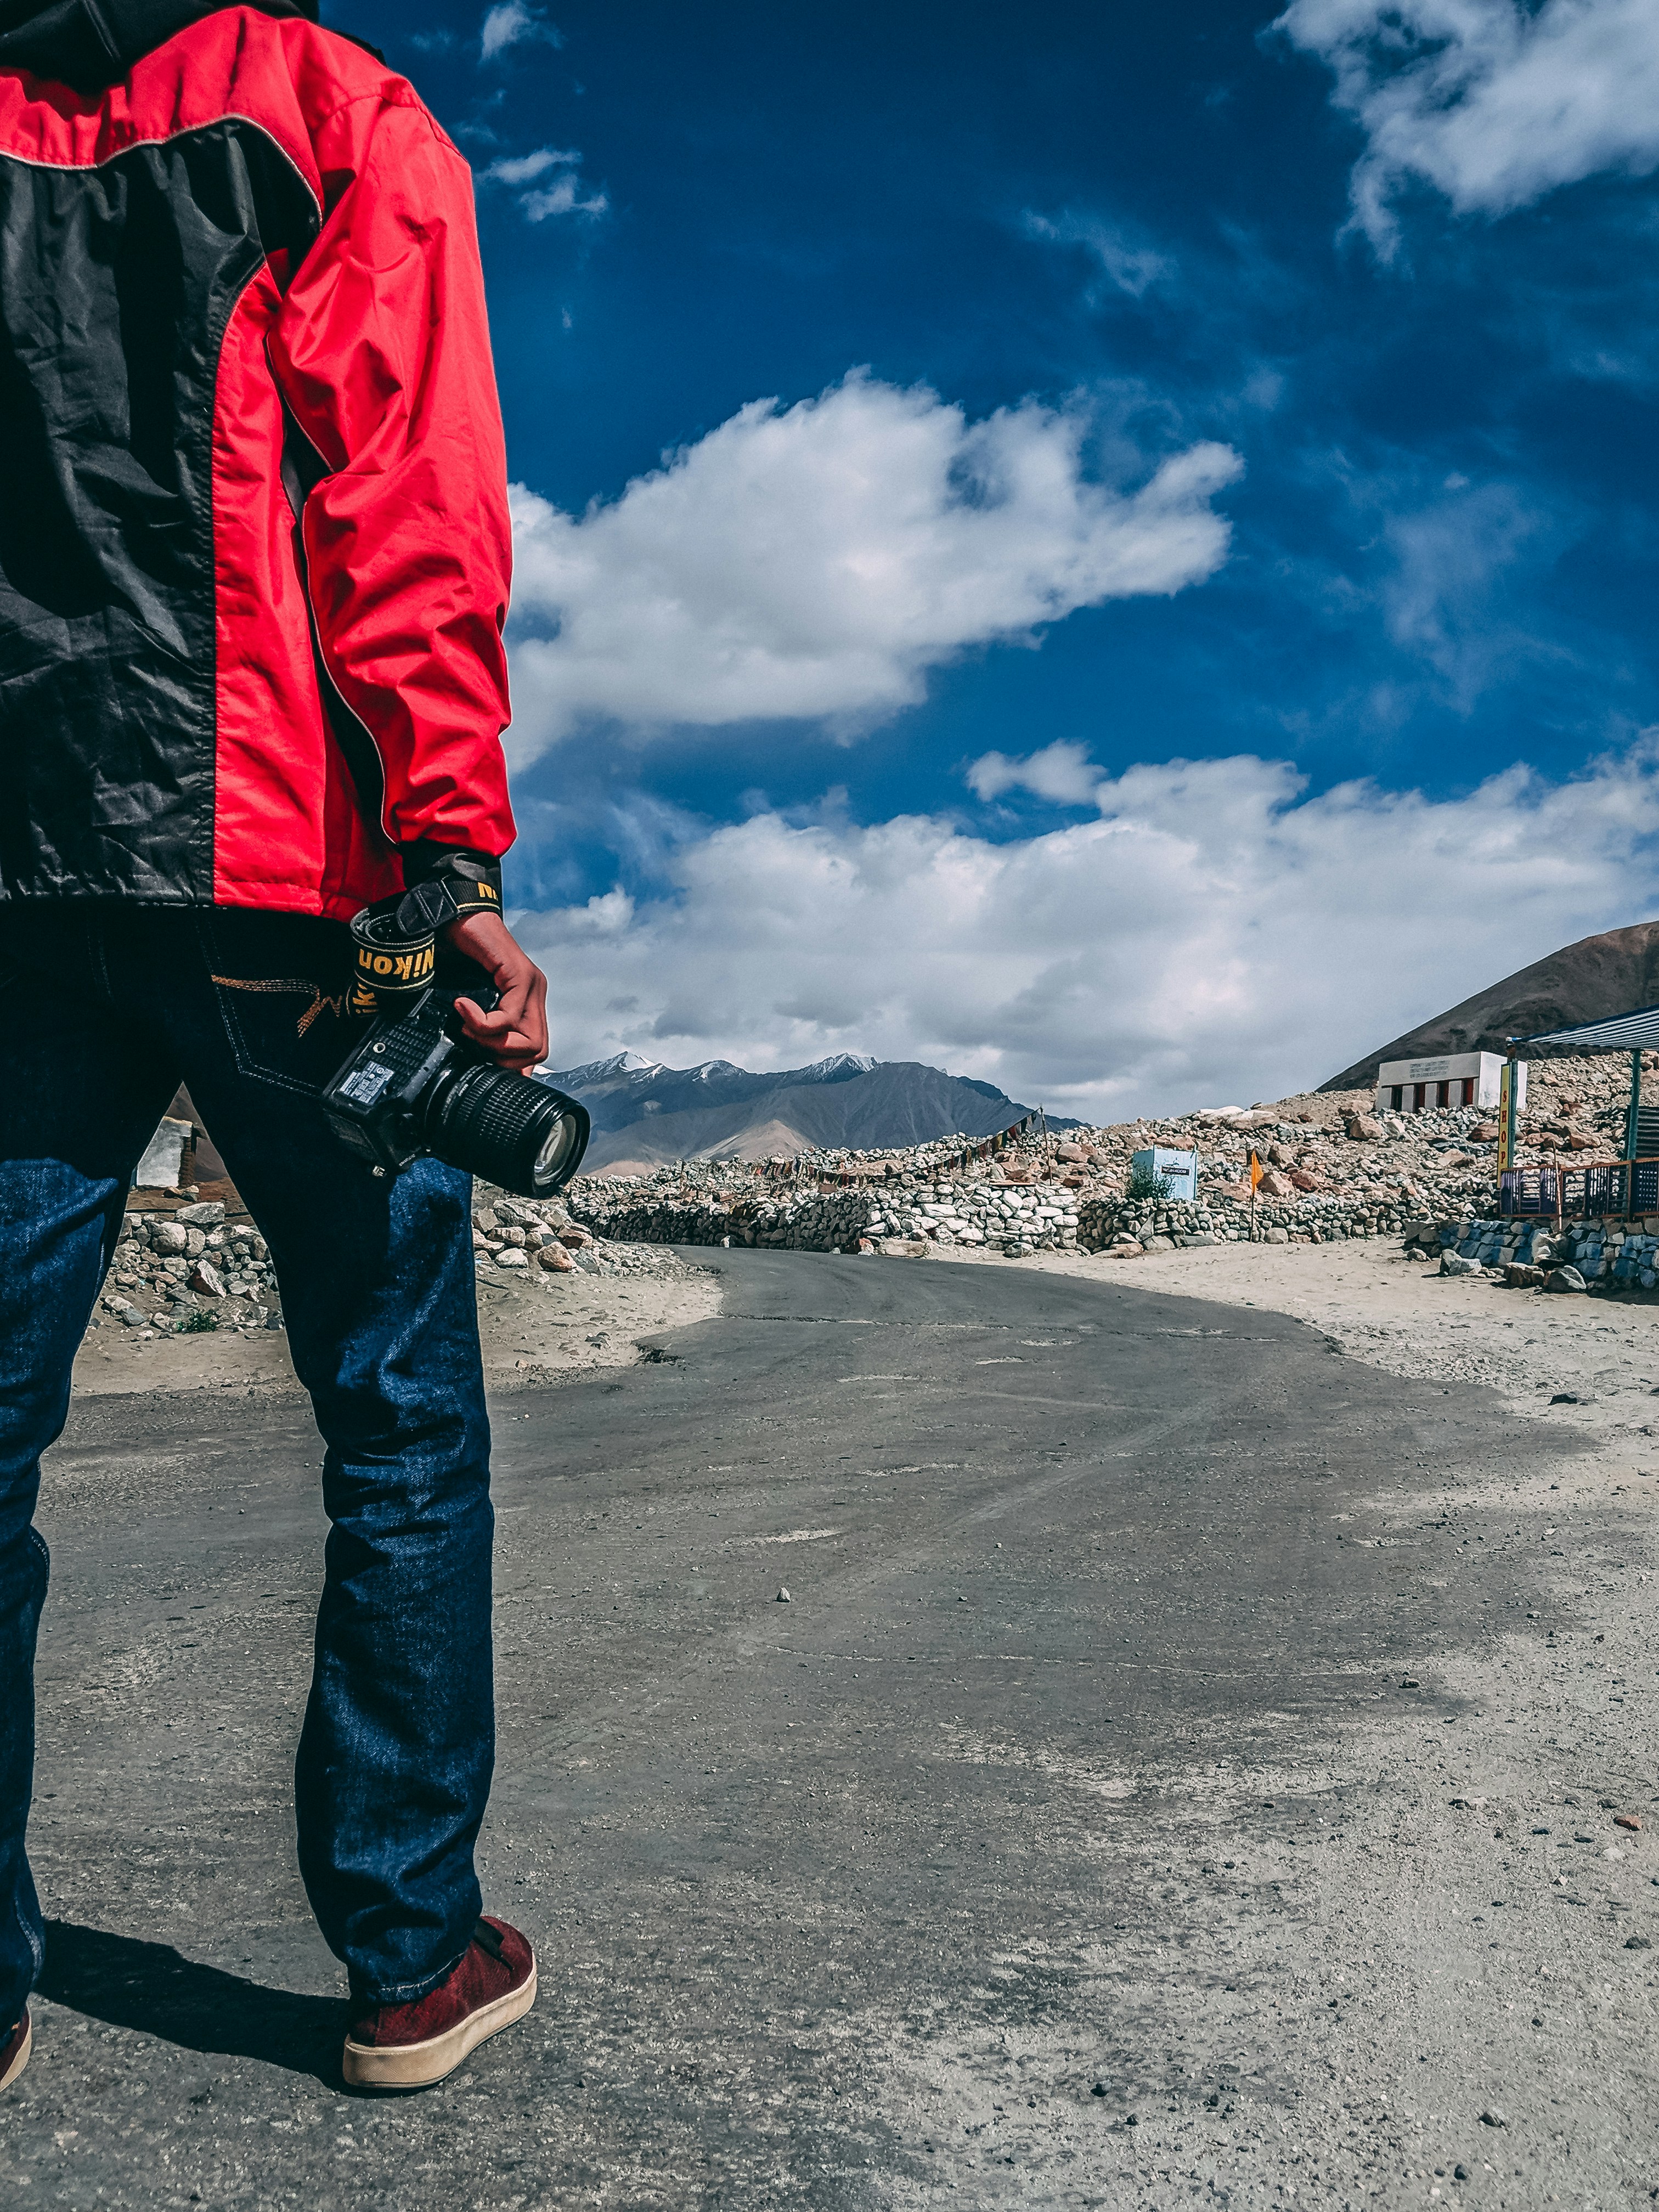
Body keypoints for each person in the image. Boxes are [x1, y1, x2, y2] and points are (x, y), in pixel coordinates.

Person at [0, 0, 547, 2092]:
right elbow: (409, 495)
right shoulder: (323, 108)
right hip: (278, 884)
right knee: (397, 1419)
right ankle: (409, 1957)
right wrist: (455, 842)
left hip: (20, 890)